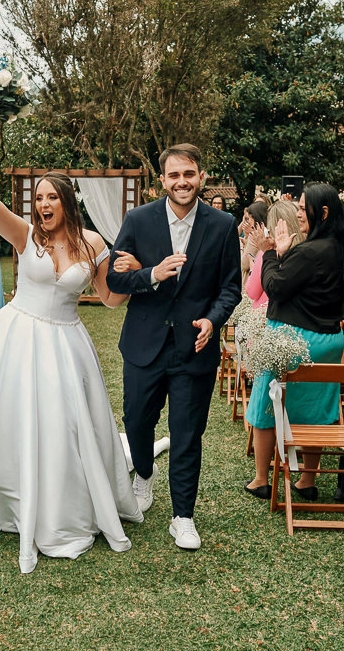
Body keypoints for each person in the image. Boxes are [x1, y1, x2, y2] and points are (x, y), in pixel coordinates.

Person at [0, 117, 142, 574]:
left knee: (65, 424)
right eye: (38, 198)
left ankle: (65, 500)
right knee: (15, 418)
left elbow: (111, 301)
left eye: (51, 197)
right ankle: (7, 495)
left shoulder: (92, 242)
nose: (43, 204)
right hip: (17, 336)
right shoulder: (24, 234)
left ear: (66, 201)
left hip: (67, 342)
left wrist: (133, 275)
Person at [106, 143, 241, 550]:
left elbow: (230, 287)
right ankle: (143, 475)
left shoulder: (221, 224)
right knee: (136, 420)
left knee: (186, 434)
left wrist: (212, 320)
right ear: (162, 180)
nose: (182, 182)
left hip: (194, 349)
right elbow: (114, 280)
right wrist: (151, 274)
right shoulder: (138, 219)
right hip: (144, 344)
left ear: (201, 176)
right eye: (174, 175)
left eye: (189, 174)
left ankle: (183, 516)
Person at [242, 183, 344, 501]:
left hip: (294, 339)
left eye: (303, 208)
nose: (298, 214)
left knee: (266, 402)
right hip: (331, 339)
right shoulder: (341, 248)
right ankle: (306, 481)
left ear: (323, 213)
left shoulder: (310, 251)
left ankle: (262, 479)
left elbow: (275, 287)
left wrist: (269, 254)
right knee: (316, 407)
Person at [243, 199, 302, 309]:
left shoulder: (267, 252)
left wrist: (252, 269)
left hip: (268, 316)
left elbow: (252, 292)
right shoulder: (308, 250)